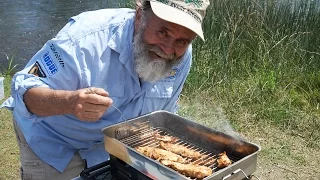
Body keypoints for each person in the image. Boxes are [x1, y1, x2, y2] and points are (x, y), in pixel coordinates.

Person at [1, 0, 210, 179]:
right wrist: (70, 102)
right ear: (140, 16)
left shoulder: (181, 57)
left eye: (182, 41)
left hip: (112, 148)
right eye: (163, 32)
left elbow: (163, 115)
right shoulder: (84, 39)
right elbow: (24, 92)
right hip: (55, 143)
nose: (167, 49)